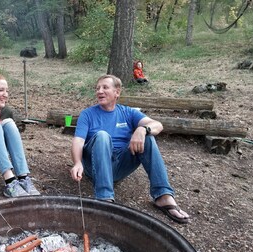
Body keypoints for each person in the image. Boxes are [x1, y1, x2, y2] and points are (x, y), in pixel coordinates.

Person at [70, 75, 189, 224]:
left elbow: (158, 125)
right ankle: (104, 198)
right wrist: (77, 163)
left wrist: (142, 129)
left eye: (105, 87)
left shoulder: (128, 112)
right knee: (102, 136)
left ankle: (163, 196)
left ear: (117, 92)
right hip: (95, 165)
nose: (99, 91)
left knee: (148, 138)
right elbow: (78, 140)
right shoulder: (87, 114)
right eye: (97, 88)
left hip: (120, 165)